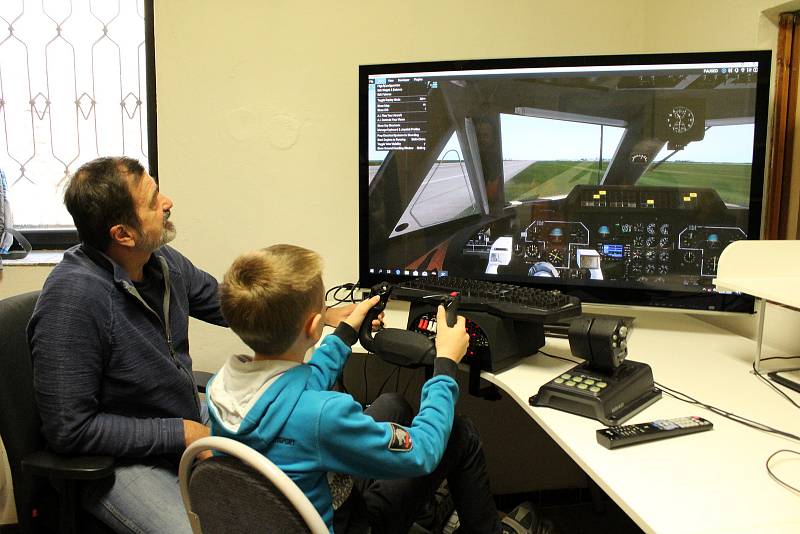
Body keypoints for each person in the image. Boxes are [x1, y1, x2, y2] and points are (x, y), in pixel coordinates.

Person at [27, 156, 356, 533]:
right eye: (153, 201)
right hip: (116, 463)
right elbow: (70, 431)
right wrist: (183, 432)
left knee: (289, 477)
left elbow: (234, 307)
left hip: (183, 422)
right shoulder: (72, 300)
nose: (167, 202)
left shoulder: (160, 261)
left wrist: (320, 313)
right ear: (123, 234)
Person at [207, 244, 544, 534]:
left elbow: (297, 387)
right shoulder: (324, 416)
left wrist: (346, 332)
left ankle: (423, 509)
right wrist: (445, 364)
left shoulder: (221, 386)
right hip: (352, 524)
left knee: (393, 404)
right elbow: (423, 451)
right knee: (460, 433)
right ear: (313, 326)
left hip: (291, 504)